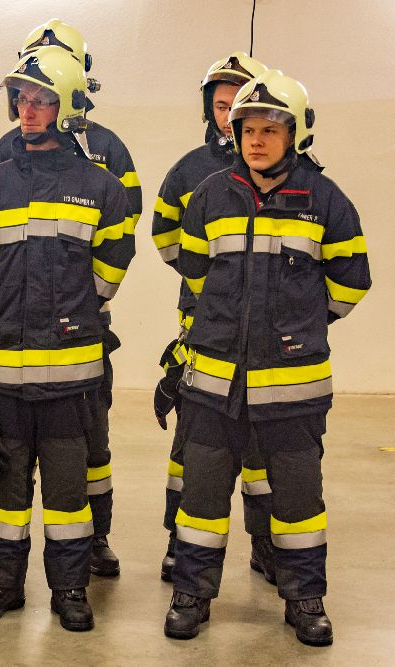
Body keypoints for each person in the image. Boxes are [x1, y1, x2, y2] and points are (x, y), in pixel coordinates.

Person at [165, 70, 371, 647]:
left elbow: (352, 282)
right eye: (248, 129)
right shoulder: (210, 195)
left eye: (270, 130)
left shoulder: (326, 200)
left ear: (295, 135)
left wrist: (302, 325)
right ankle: (191, 593)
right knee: (202, 498)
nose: (256, 141)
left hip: (294, 389)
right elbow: (195, 272)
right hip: (215, 383)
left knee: (298, 500)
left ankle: (305, 599)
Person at [0, 46, 135, 630]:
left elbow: (111, 267)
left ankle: (70, 589)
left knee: (66, 494)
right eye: (22, 100)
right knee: (5, 490)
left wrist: (76, 308)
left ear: (69, 106)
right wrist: (7, 306)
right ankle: (1, 586)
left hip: (71, 377)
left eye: (41, 100)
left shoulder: (101, 187)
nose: (28, 110)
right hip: (6, 375)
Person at [151, 52, 277, 583]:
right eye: (222, 106)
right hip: (204, 325)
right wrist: (212, 287)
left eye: (238, 105)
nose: (229, 117)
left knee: (264, 445)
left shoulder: (286, 171)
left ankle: (268, 545)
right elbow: (165, 237)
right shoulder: (188, 170)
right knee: (194, 443)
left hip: (266, 332)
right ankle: (180, 542)